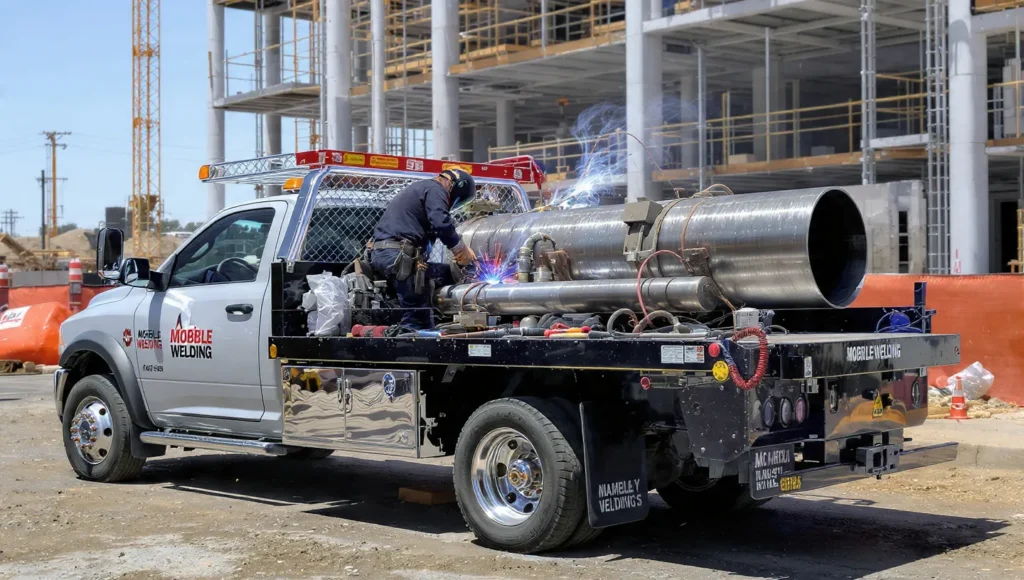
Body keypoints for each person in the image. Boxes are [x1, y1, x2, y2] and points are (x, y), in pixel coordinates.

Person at [370, 168, 478, 329]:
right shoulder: (435, 189)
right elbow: (441, 224)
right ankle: (410, 345)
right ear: (455, 187)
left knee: (447, 274)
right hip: (397, 255)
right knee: (417, 318)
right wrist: (462, 251)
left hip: (390, 253)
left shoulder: (423, 189)